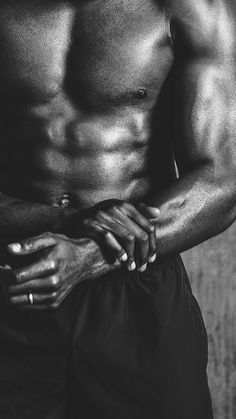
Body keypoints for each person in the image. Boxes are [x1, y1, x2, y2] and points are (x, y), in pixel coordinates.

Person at [0, 0, 235, 417]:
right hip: (16, 277)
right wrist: (71, 220)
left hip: (137, 285)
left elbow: (224, 178)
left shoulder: (189, 10)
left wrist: (92, 253)